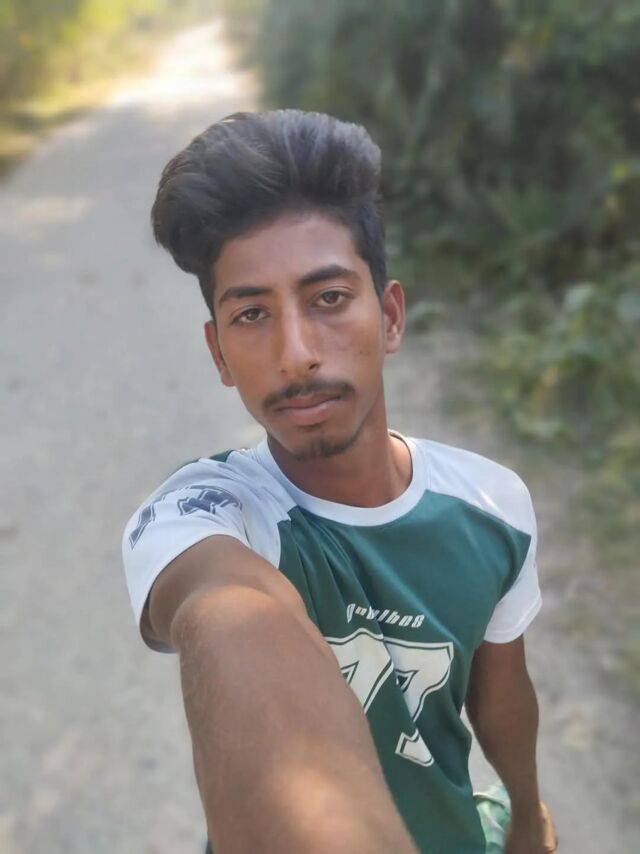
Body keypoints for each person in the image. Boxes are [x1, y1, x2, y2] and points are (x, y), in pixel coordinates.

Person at [122, 109, 558, 853]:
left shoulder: (493, 507)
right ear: (220, 355)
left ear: (389, 317)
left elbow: (500, 697)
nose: (295, 352)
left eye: (328, 298)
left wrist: (527, 813)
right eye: (251, 314)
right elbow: (225, 614)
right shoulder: (204, 518)